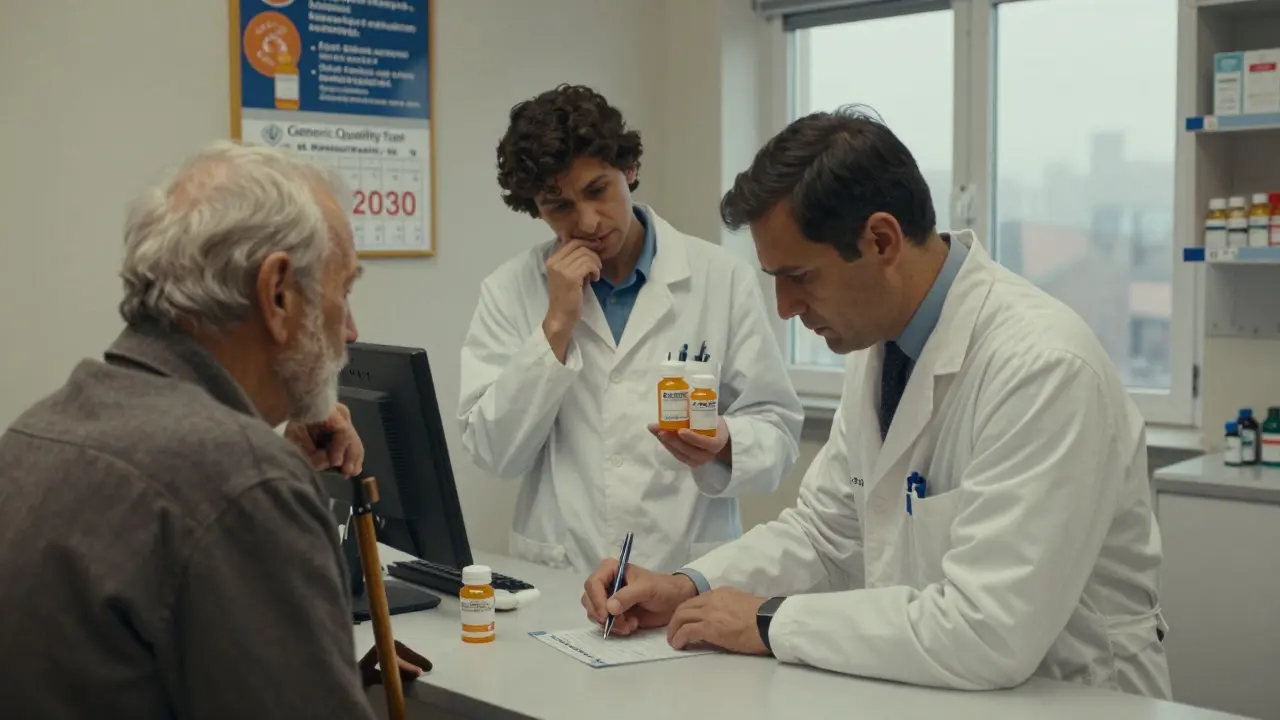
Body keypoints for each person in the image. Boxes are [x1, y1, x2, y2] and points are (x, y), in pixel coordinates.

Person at [582, 106, 1172, 699]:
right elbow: (826, 531)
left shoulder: (1043, 367)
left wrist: (766, 621)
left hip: (1073, 698)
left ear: (882, 240)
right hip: (938, 693)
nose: (784, 307)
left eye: (800, 276)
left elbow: (987, 630)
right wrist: (689, 588)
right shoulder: (881, 344)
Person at [0, 141, 418, 718]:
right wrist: (264, 472)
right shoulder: (244, 482)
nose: (349, 330)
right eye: (342, 291)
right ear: (276, 293)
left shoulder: (39, 429)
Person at [458, 84, 804, 574]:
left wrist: (724, 441)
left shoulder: (719, 277)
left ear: (630, 170)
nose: (588, 221)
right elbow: (494, 454)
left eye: (598, 190)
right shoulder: (510, 289)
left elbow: (778, 429)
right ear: (535, 208)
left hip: (687, 570)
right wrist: (555, 326)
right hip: (565, 572)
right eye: (559, 206)